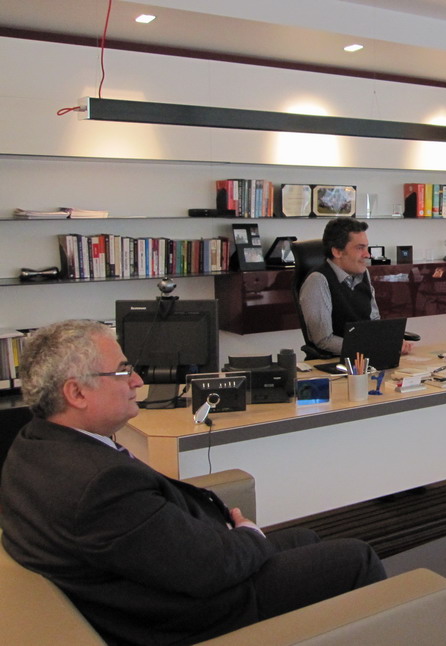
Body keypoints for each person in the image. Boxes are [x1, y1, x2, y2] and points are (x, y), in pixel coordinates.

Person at [0, 320, 386, 645]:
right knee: (357, 559)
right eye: (121, 371)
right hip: (196, 614)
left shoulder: (33, 444)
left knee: (307, 538)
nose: (136, 380)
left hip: (161, 579)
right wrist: (248, 535)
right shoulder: (99, 485)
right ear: (76, 392)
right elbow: (208, 569)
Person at [300, 217, 411, 357]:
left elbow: (374, 322)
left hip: (365, 359)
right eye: (360, 248)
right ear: (337, 252)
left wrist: (391, 341)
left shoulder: (363, 274)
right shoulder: (318, 280)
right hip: (334, 362)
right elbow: (324, 340)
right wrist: (370, 348)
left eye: (366, 247)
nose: (367, 254)